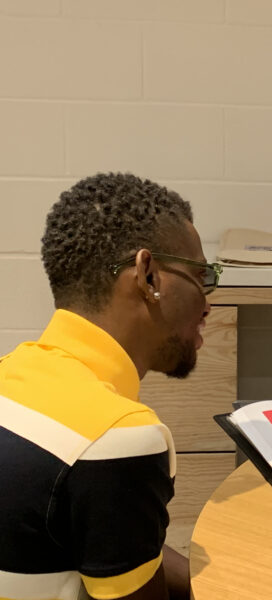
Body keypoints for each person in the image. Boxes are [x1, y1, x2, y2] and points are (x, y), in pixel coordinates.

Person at [0, 173, 221, 600]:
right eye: (201, 275)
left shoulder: (9, 374)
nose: (208, 301)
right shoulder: (117, 437)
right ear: (149, 276)